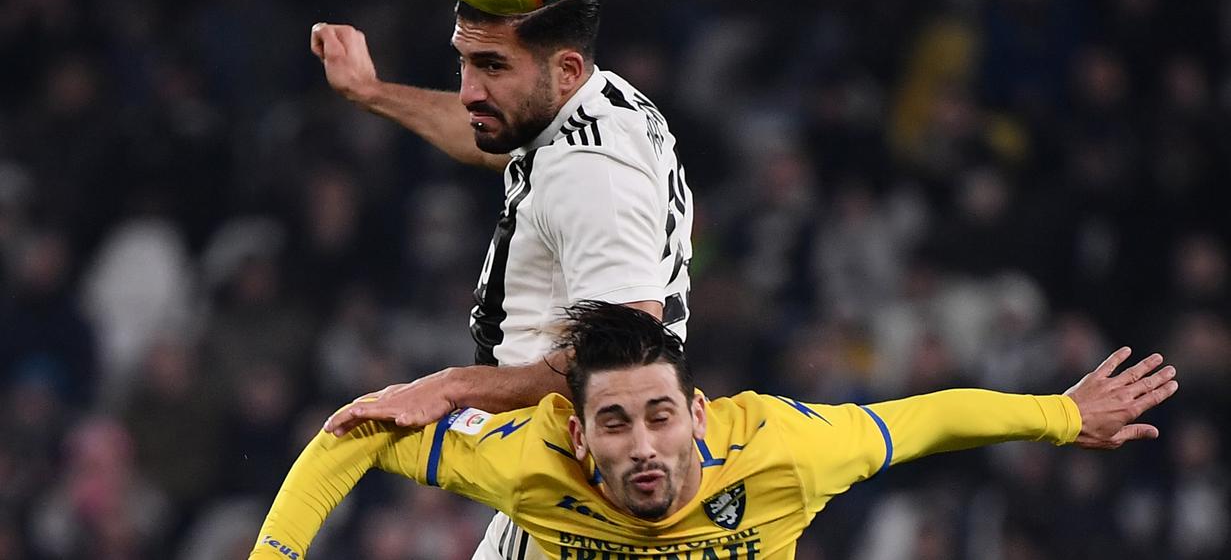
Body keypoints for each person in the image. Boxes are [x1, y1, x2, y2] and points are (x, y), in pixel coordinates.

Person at [250, 302, 1178, 560]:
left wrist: (1061, 417)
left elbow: (926, 420)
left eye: (661, 416)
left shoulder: (781, 447)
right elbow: (353, 435)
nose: (644, 445)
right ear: (578, 438)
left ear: (696, 415)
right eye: (614, 423)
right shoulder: (528, 462)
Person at [309, 0, 693, 558]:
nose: (468, 91)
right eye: (464, 63)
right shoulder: (593, 106)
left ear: (563, 69)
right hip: (562, 482)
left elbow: (625, 361)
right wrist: (371, 91)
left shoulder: (594, 174)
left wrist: (452, 388)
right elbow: (489, 135)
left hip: (579, 498)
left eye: (491, 66)